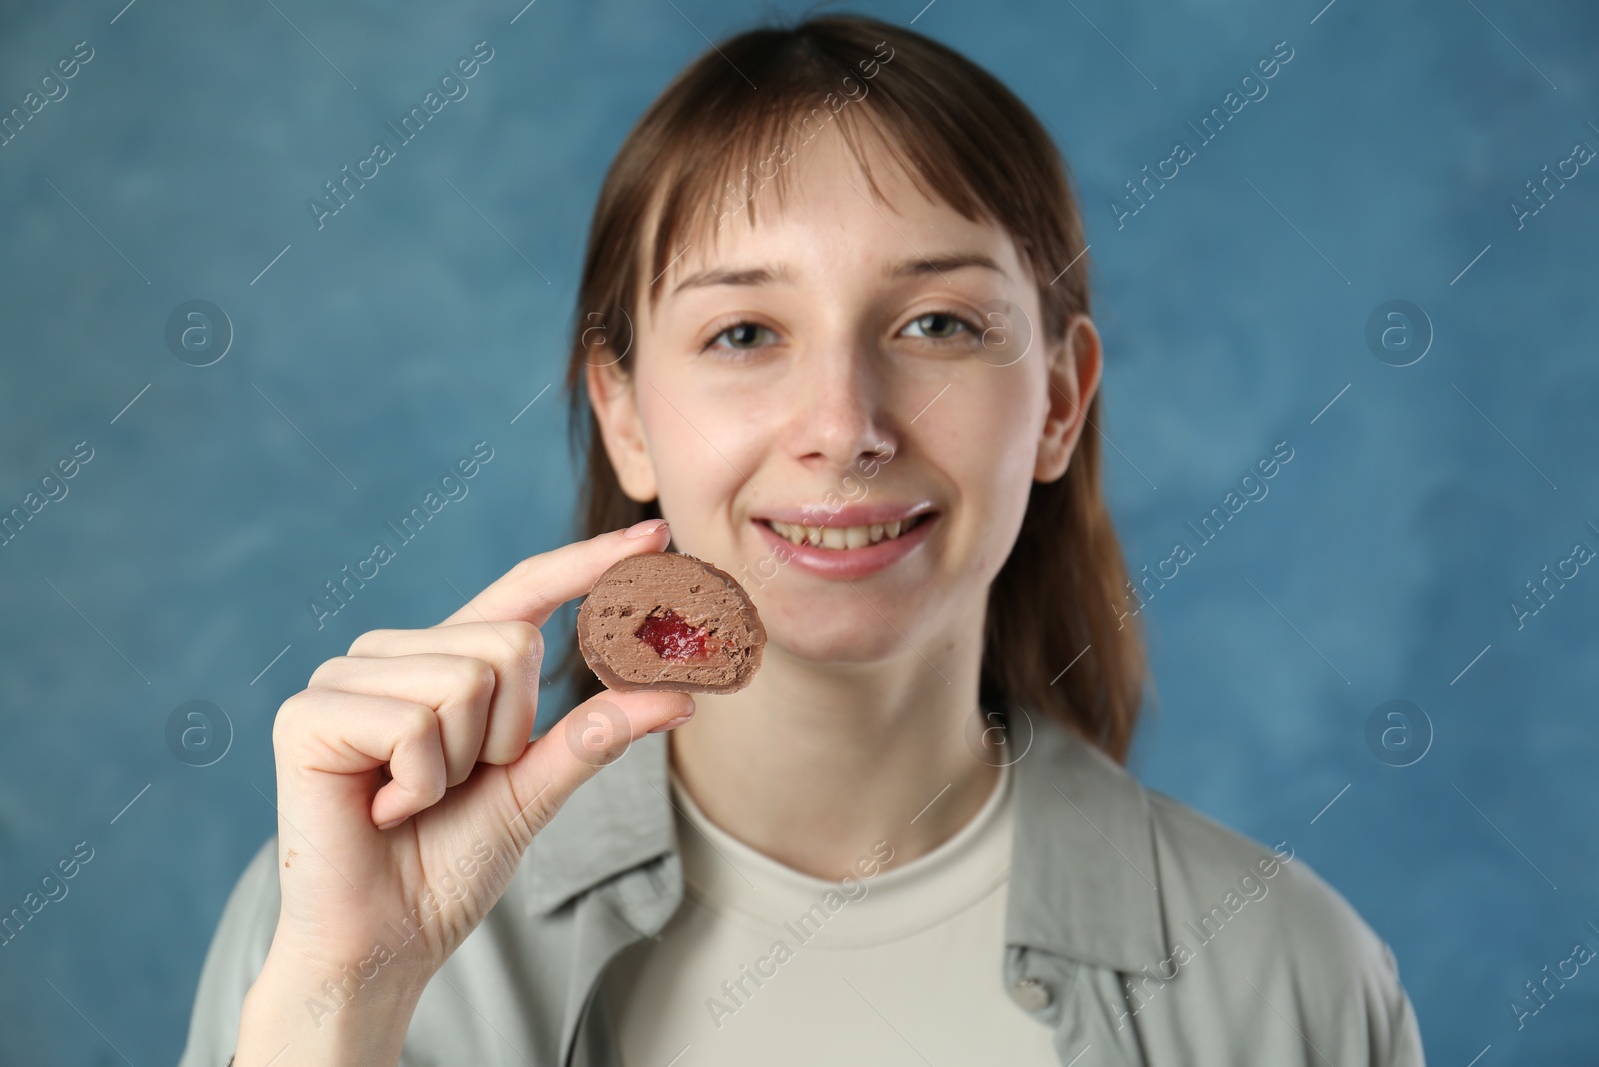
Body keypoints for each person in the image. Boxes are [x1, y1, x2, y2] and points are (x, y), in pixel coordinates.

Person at [180, 12, 1425, 1066]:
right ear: (623, 413)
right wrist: (340, 1004)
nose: (844, 426)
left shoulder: (1293, 975)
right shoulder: (336, 919)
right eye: (742, 334)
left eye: (938, 323)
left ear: (1057, 400)